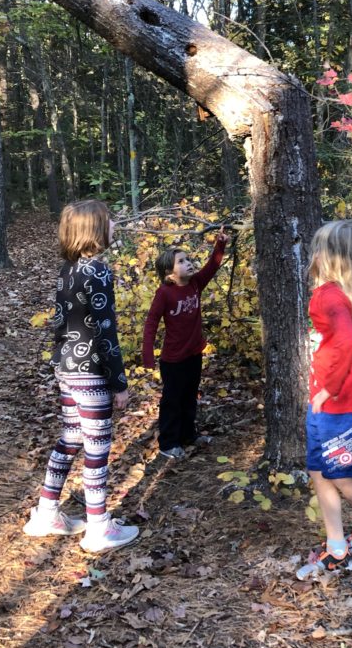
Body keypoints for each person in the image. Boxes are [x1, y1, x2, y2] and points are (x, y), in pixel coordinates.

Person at [23, 199, 139, 554]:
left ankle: (46, 513)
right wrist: (119, 382)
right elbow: (106, 332)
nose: (114, 225)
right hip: (89, 372)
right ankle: (99, 527)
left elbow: (63, 324)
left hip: (66, 366)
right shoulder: (98, 272)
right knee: (97, 446)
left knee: (71, 436)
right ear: (94, 229)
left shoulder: (69, 269)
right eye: (109, 220)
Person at [297, 220, 352, 579]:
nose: (313, 255)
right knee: (319, 470)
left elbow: (349, 342)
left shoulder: (329, 295)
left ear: (331, 258)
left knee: (341, 475)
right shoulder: (335, 293)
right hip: (330, 402)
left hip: (340, 402)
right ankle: (338, 544)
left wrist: (326, 389)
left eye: (319, 248)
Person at [142, 227, 228, 458]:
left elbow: (212, 266)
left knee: (190, 395)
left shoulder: (195, 284)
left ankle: (189, 434)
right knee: (173, 400)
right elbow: (151, 322)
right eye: (181, 261)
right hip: (173, 359)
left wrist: (219, 245)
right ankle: (168, 444)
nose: (189, 263)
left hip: (193, 353)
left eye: (188, 259)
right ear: (170, 274)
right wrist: (148, 355)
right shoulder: (165, 293)